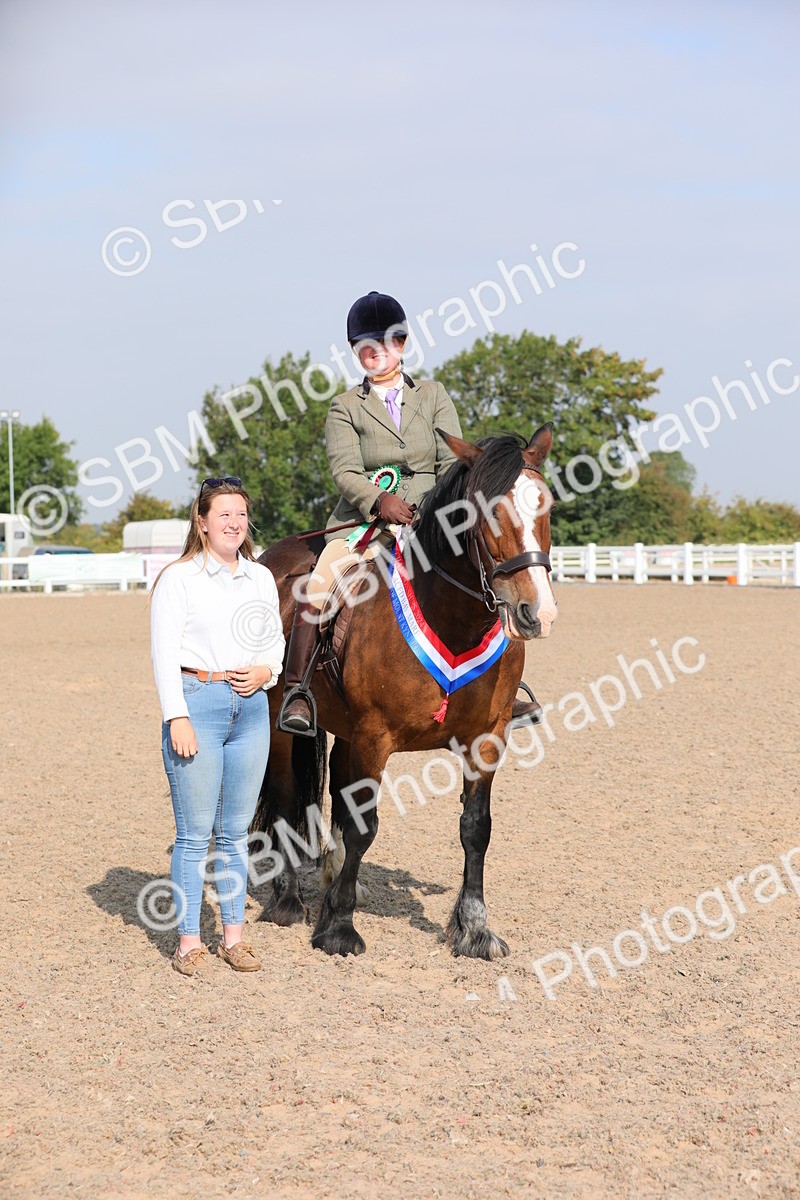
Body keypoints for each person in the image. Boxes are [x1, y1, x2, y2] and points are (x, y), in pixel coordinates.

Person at [276, 290, 543, 736]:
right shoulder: (345, 407)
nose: (377, 353)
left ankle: (500, 692)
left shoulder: (434, 395)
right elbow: (344, 470)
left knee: (482, 571)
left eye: (387, 342)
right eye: (366, 346)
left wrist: (429, 507)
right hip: (367, 523)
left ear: (402, 343)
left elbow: (454, 462)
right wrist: (380, 502)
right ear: (356, 351)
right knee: (318, 585)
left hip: (432, 520)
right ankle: (298, 690)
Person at [149, 476, 285, 977]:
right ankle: (189, 943)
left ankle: (234, 938)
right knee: (193, 835)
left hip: (250, 710)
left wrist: (266, 670)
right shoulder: (179, 579)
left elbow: (274, 642)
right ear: (202, 523)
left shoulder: (260, 577)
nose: (234, 523)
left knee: (233, 834)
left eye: (241, 514)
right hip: (197, 702)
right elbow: (163, 654)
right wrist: (176, 715)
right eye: (223, 514)